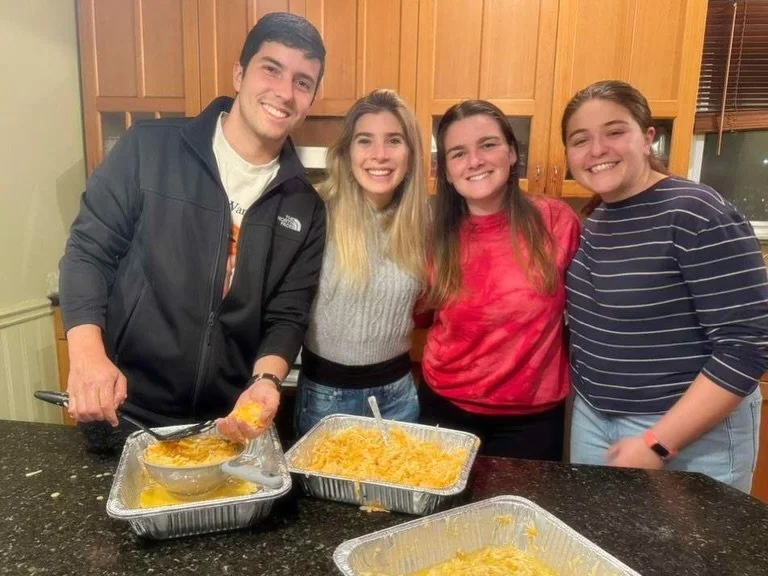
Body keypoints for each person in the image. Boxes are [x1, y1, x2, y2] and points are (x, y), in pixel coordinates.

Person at [59, 12, 327, 449]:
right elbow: (89, 251)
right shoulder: (148, 149)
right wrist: (87, 355)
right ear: (240, 74)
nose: (284, 91)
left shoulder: (306, 205)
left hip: (226, 424)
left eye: (303, 81)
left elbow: (288, 314)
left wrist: (265, 381)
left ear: (312, 98)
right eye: (271, 69)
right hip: (127, 412)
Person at [563, 80, 768, 492]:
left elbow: (746, 345)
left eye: (615, 131)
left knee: (692, 556)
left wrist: (658, 443)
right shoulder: (600, 217)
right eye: (580, 139)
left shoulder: (696, 212)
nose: (597, 149)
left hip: (686, 436)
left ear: (648, 138)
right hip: (596, 419)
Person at [418, 100, 581, 460]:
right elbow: (418, 317)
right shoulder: (432, 237)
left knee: (519, 516)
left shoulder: (557, 221)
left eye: (488, 145)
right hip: (445, 410)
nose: (474, 161)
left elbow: (592, 313)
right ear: (446, 171)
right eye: (458, 153)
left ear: (511, 153)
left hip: (532, 422)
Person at [294, 89, 429, 437]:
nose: (379, 155)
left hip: (399, 397)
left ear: (411, 154)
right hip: (326, 397)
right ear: (347, 151)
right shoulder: (315, 211)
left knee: (398, 493)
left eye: (394, 140)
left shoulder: (423, 221)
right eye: (365, 140)